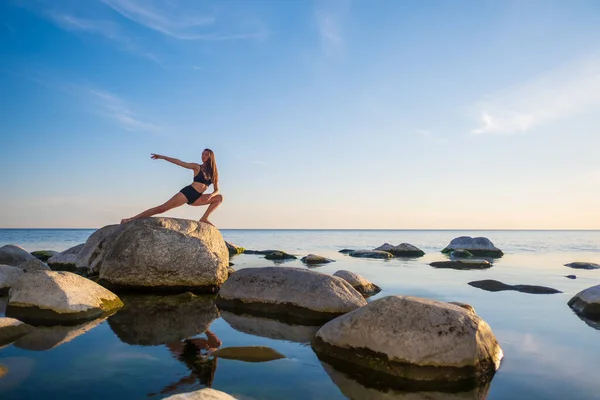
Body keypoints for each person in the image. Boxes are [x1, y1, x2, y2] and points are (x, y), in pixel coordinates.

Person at [120, 149, 223, 226]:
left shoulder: (214, 173)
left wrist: (211, 195)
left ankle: (204, 218)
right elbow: (180, 162)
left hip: (198, 197)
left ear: (211, 156)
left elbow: (217, 190)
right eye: (202, 154)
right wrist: (162, 157)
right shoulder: (197, 167)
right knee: (161, 209)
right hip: (188, 193)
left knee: (219, 198)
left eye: (205, 154)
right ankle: (130, 219)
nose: (203, 156)